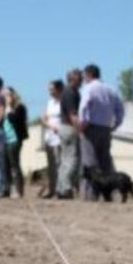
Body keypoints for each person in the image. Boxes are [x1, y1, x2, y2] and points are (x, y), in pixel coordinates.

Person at [78, 63, 125, 201]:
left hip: (91, 127)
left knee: (89, 162)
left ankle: (90, 194)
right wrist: (115, 125)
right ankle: (108, 193)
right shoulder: (110, 89)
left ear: (89, 75)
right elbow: (120, 110)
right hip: (106, 129)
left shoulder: (89, 88)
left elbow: (84, 107)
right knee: (105, 161)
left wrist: (83, 123)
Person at [55, 68, 83, 198]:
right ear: (72, 79)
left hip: (64, 127)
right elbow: (73, 115)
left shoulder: (68, 91)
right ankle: (66, 188)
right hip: (70, 127)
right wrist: (80, 130)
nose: (82, 80)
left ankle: (60, 188)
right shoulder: (71, 93)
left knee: (64, 160)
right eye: (79, 78)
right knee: (72, 160)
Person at [1, 86, 29, 197]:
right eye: (4, 95)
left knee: (15, 164)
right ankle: (6, 189)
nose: (6, 97)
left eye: (8, 94)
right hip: (5, 139)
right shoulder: (4, 108)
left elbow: (14, 120)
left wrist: (8, 108)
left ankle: (19, 190)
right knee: (5, 165)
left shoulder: (20, 107)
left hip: (15, 139)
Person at [39, 79, 64, 198]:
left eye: (52, 89)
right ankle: (52, 189)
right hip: (49, 137)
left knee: (59, 164)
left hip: (60, 138)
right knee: (51, 166)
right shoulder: (49, 103)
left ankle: (60, 190)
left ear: (59, 89)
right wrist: (50, 125)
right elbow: (43, 118)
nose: (50, 91)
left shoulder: (64, 102)